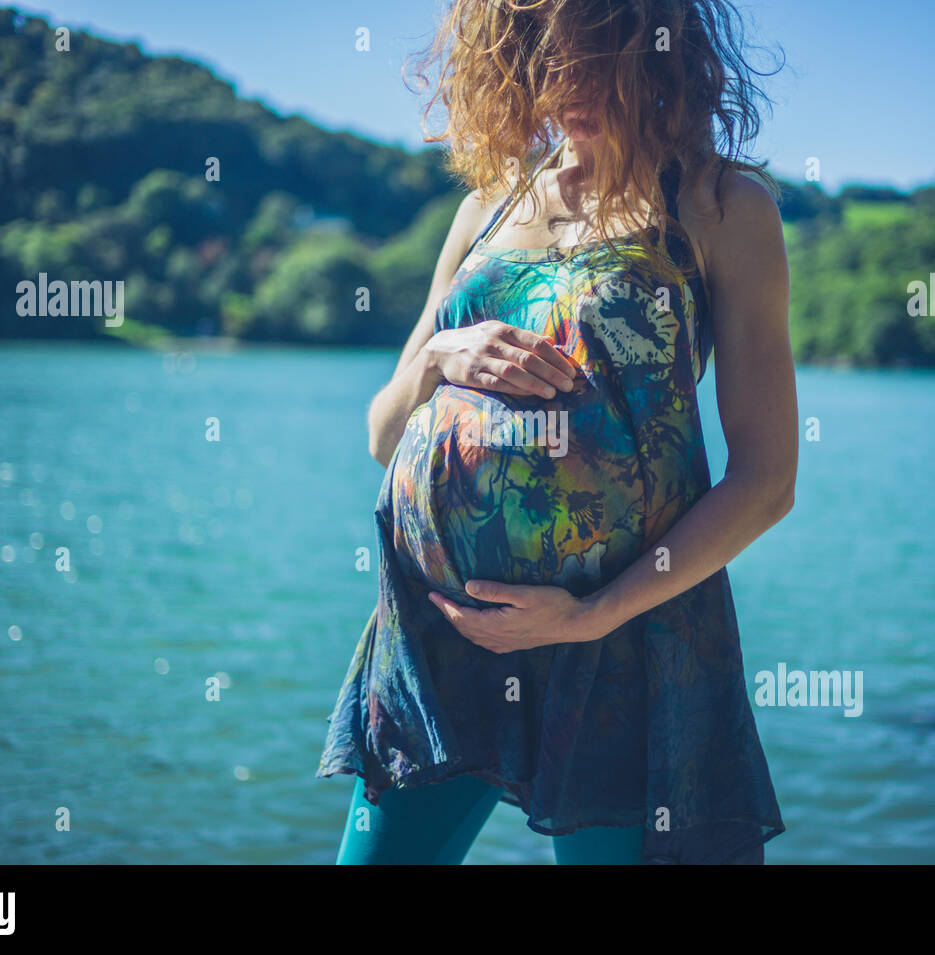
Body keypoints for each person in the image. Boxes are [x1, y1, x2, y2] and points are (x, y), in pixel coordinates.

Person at [319, 0, 796, 865]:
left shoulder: (721, 206)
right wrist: (438, 356)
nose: (569, 88)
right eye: (547, 61)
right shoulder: (486, 209)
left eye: (596, 60)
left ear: (658, 53)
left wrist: (589, 615)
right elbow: (384, 433)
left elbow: (765, 481)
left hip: (617, 641)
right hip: (441, 637)